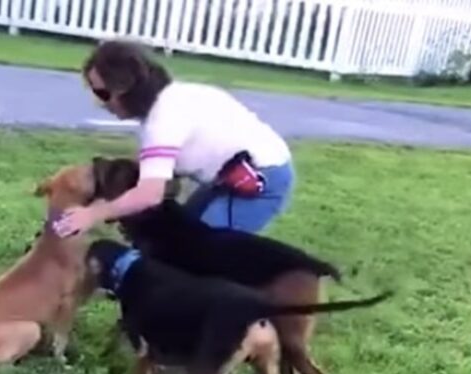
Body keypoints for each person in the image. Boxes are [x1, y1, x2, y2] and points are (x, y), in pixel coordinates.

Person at [53, 39, 295, 238]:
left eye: (102, 93)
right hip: (234, 175)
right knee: (179, 240)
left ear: (125, 87)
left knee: (200, 254)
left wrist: (94, 214)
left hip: (263, 180)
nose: (100, 104)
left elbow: (150, 194)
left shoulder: (163, 118)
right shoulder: (172, 98)